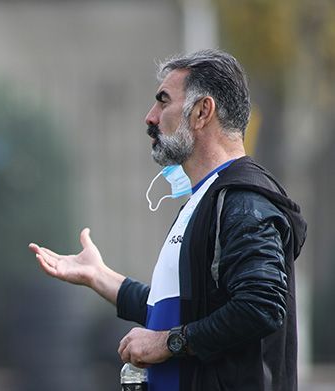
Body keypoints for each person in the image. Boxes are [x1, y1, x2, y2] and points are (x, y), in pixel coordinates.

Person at [28, 49, 306, 390]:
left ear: (203, 111)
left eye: (163, 101)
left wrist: (166, 343)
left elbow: (261, 305)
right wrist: (100, 277)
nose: (150, 117)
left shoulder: (241, 199)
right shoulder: (206, 197)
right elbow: (186, 309)